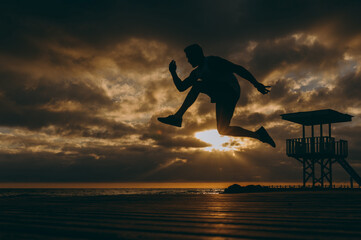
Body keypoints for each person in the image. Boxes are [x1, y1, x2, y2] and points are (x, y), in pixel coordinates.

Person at [158, 44, 275, 147]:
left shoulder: (212, 61)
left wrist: (256, 84)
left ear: (197, 55)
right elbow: (181, 87)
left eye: (189, 57)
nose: (188, 61)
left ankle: (177, 117)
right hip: (221, 96)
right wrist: (173, 72)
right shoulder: (196, 72)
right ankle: (259, 135)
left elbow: (237, 69)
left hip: (230, 90)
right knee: (223, 130)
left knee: (197, 85)